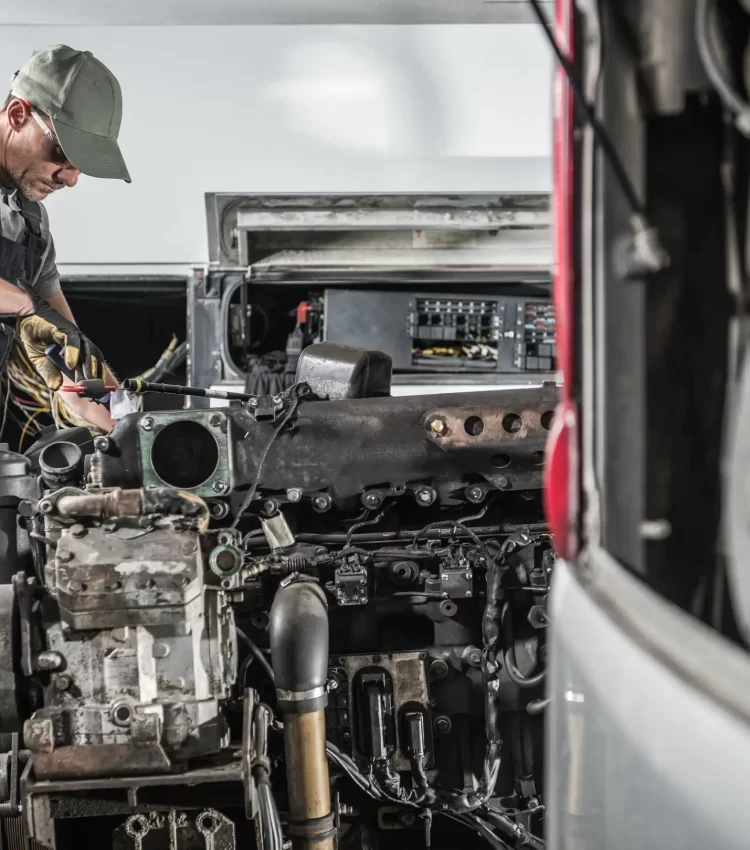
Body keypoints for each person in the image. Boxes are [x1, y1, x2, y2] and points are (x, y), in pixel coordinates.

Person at [0, 44, 131, 433]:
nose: (71, 178)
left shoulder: (29, 223)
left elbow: (63, 337)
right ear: (17, 114)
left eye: (81, 166)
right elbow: (33, 309)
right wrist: (25, 307)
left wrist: (107, 401)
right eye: (62, 153)